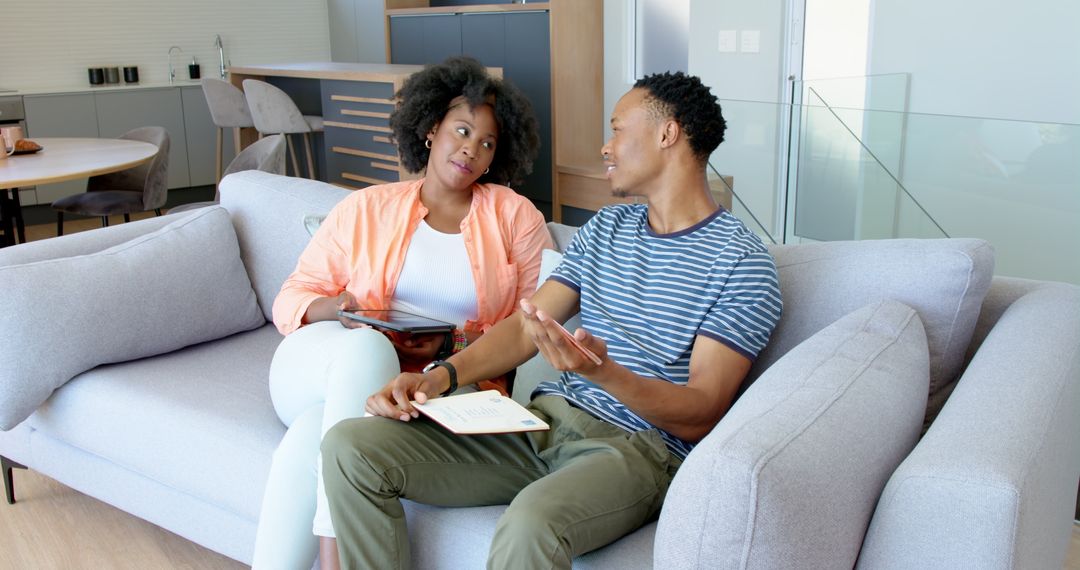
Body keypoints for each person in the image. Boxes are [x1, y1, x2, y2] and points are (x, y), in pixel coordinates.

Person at [320, 71, 783, 570]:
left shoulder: (740, 263)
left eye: (618, 129)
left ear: (667, 134)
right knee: (351, 446)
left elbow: (702, 412)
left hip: (636, 450)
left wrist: (601, 373)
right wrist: (437, 379)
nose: (606, 148)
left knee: (529, 526)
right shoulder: (608, 227)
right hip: (540, 422)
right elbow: (525, 327)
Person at [250, 56, 552, 569]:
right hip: (328, 359)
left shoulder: (515, 216)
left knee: (309, 440)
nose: (471, 149)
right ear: (431, 129)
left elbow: (532, 322)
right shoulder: (366, 208)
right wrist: (339, 310)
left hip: (435, 385)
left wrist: (447, 349)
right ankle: (334, 557)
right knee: (368, 347)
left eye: (487, 143)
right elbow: (291, 298)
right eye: (461, 130)